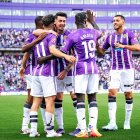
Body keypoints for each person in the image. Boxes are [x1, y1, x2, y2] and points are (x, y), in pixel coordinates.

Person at [28, 14, 75, 137]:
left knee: (36, 101)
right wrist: (65, 56)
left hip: (36, 72)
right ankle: (50, 130)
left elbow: (35, 32)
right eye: (59, 21)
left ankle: (33, 131)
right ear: (54, 22)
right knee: (50, 100)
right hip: (48, 72)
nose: (62, 23)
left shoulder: (39, 35)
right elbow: (53, 50)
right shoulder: (51, 35)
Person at [60, 12, 102, 138]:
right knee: (93, 98)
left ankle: (83, 130)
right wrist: (92, 20)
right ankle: (93, 128)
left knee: (80, 99)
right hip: (93, 69)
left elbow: (63, 51)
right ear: (85, 21)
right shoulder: (93, 32)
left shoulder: (72, 35)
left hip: (80, 70)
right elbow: (99, 32)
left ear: (74, 22)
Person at [96, 15, 140, 130]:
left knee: (128, 94)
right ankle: (112, 123)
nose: (114, 22)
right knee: (111, 93)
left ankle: (126, 122)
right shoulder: (110, 37)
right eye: (114, 21)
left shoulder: (129, 34)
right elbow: (101, 52)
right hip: (114, 69)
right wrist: (96, 43)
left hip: (128, 69)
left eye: (117, 20)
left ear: (123, 22)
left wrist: (123, 46)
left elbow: (137, 47)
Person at [19, 16, 44, 134]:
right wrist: (23, 67)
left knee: (35, 98)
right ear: (41, 24)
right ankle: (25, 127)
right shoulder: (32, 37)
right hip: (33, 72)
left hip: (36, 72)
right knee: (32, 99)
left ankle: (28, 126)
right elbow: (26, 53)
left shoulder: (42, 35)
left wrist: (22, 67)